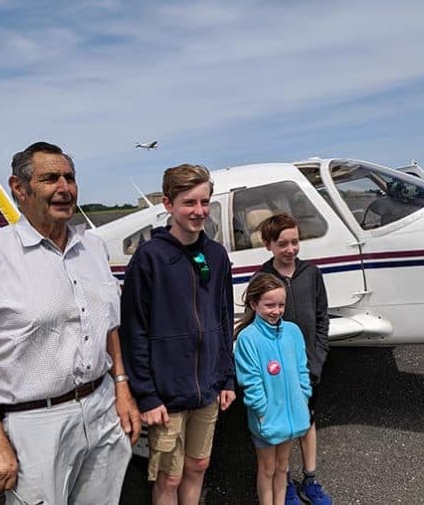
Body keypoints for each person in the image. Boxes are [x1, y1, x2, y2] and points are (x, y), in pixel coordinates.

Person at [0, 142, 140, 504]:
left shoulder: (93, 249)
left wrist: (122, 388)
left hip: (101, 408)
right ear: (19, 188)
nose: (64, 187)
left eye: (70, 177)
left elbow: (108, 326)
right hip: (35, 422)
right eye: (50, 178)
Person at [120, 163, 236, 505]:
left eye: (204, 202)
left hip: (208, 388)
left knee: (199, 464)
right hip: (166, 394)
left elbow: (225, 318)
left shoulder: (216, 256)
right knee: (169, 476)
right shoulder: (149, 258)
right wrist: (147, 395)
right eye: (189, 203)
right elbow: (134, 330)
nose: (199, 211)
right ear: (169, 205)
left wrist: (227, 378)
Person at [257, 213, 333, 505]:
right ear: (269, 246)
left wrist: (318, 358)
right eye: (282, 244)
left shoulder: (311, 273)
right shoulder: (263, 278)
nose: (290, 249)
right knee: (282, 427)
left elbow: (322, 318)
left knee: (307, 421)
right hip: (278, 372)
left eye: (295, 242)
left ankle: (310, 480)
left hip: (307, 367)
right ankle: (284, 482)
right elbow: (258, 324)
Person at [235, 273, 312, 505]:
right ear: (253, 303)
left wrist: (304, 398)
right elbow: (251, 381)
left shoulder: (293, 331)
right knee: (267, 469)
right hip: (267, 421)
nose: (276, 311)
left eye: (281, 305)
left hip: (291, 419)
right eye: (269, 305)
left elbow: (302, 370)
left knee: (282, 467)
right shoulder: (248, 338)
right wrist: (262, 412)